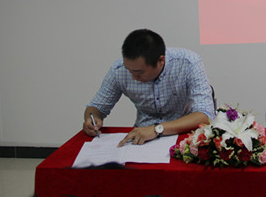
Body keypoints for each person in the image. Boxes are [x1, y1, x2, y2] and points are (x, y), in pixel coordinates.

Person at [83, 29, 215, 146]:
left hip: (184, 137)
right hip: (142, 138)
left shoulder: (189, 63)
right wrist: (92, 119)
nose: (133, 77)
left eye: (139, 72)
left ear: (161, 61)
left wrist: (156, 129)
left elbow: (204, 115)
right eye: (129, 70)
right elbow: (96, 108)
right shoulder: (118, 70)